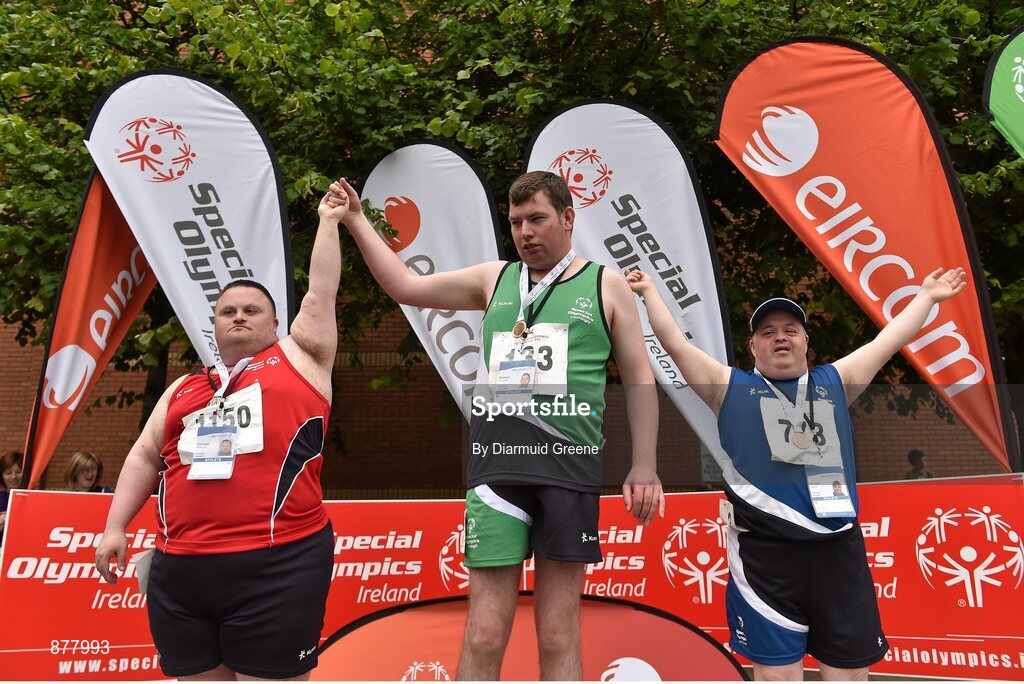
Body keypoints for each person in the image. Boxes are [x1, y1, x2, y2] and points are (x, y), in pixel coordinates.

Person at [336, 170, 663, 680]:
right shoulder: (495, 278)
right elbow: (405, 286)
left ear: (568, 218)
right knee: (485, 632)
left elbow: (641, 380)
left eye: (537, 219)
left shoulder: (607, 284)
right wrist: (356, 220)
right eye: (516, 222)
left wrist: (644, 465)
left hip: (568, 471)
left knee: (558, 633)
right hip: (497, 471)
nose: (526, 232)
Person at [627, 266, 966, 681]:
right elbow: (675, 344)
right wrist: (648, 292)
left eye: (790, 329)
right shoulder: (725, 386)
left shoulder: (836, 381)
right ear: (752, 347)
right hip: (764, 559)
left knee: (848, 677)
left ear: (806, 341)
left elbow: (888, 340)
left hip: (837, 553)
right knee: (777, 678)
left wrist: (927, 297)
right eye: (768, 333)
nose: (781, 338)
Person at [94, 179, 346, 681]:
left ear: (276, 324)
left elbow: (321, 291)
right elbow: (145, 456)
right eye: (227, 311)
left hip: (277, 563)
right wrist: (114, 527)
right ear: (213, 325)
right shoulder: (186, 387)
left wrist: (329, 222)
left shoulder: (301, 359)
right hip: (181, 569)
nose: (238, 317)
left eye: (251, 311)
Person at [0, 451, 24, 539]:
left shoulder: (36, 498)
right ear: (2, 476)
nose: (14, 477)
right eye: (8, 473)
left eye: (18, 472)